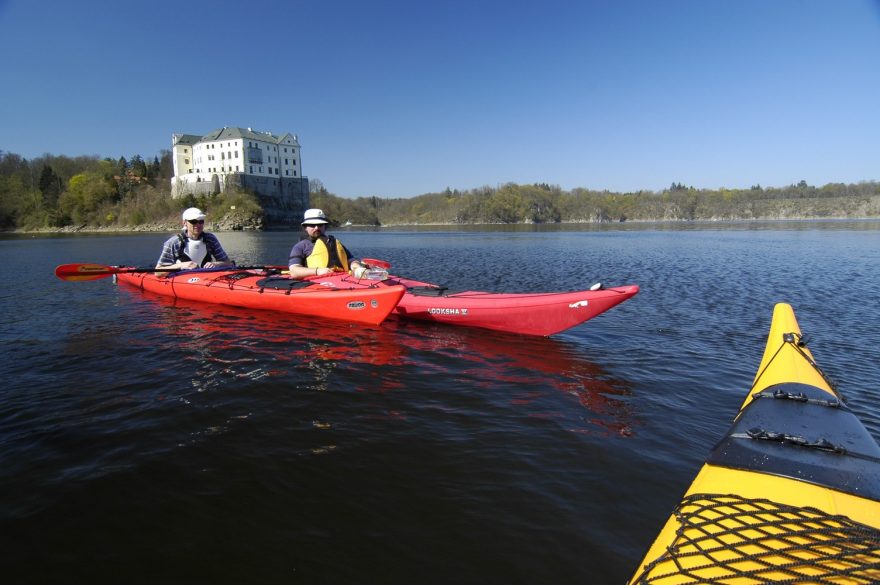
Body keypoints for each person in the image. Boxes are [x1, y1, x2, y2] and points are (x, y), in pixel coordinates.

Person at [288, 208, 367, 279]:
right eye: (312, 225)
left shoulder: (335, 242)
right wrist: (317, 271)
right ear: (305, 227)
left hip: (342, 280)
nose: (317, 228)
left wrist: (355, 265)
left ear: (325, 226)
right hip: (316, 284)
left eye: (320, 225)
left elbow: (351, 260)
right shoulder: (300, 246)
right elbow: (294, 271)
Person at [156, 207, 234, 269]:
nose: (198, 225)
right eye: (193, 221)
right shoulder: (173, 242)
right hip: (182, 282)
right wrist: (181, 265)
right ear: (184, 223)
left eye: (201, 221)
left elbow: (228, 263)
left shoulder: (210, 239)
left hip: (206, 281)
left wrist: (216, 264)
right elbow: (158, 271)